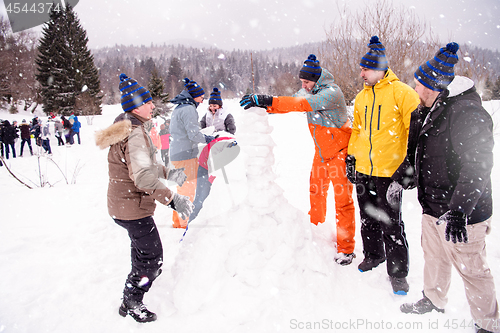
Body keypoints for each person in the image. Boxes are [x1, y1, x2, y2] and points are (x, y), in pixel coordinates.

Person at [392, 43, 499, 333]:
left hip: (462, 213)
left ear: (434, 87)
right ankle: (433, 299)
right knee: (435, 257)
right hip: (433, 204)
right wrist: (404, 177)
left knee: (472, 270)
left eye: (418, 84)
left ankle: (488, 325)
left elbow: (477, 164)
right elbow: (419, 150)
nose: (414, 89)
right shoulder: (427, 108)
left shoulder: (467, 113)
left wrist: (459, 211)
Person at [239, 54, 356, 266]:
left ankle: (346, 249)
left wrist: (268, 99)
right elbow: (292, 102)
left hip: (340, 153)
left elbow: (301, 103)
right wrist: (265, 106)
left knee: (342, 202)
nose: (303, 85)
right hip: (321, 153)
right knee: (316, 192)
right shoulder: (309, 90)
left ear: (317, 79)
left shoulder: (331, 92)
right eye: (301, 82)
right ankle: (317, 232)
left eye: (306, 82)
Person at [95, 73, 193, 323]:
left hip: (123, 206)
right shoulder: (135, 133)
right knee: (153, 257)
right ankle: (132, 300)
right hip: (132, 208)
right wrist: (173, 199)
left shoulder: (128, 129)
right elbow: (141, 177)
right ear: (137, 106)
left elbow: (144, 167)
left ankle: (133, 292)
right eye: (148, 102)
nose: (152, 105)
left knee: (142, 252)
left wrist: (169, 172)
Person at [346, 36, 420, 294]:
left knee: (391, 223)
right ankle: (374, 255)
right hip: (365, 170)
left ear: (380, 69)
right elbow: (357, 132)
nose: (361, 73)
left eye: (365, 69)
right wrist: (352, 159)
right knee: (367, 217)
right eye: (361, 69)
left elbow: (418, 130)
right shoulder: (361, 98)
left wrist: (410, 165)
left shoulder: (402, 93)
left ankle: (398, 274)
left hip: (391, 172)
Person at [170, 77, 215, 229]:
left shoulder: (179, 108)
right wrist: (207, 138)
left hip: (177, 153)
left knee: (181, 188)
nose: (202, 101)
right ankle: (183, 224)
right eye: (202, 97)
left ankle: (178, 221)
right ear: (194, 96)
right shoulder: (189, 109)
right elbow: (193, 135)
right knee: (187, 190)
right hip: (185, 154)